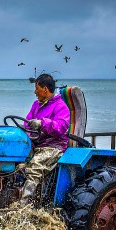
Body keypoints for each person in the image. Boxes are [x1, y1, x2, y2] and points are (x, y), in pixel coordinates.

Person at [20, 73, 71, 205]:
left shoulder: (61, 106)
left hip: (53, 146)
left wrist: (42, 123)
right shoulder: (36, 105)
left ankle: (21, 207)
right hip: (36, 143)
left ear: (45, 89)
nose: (35, 92)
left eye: (36, 88)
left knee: (34, 168)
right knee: (17, 165)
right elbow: (27, 123)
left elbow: (61, 126)